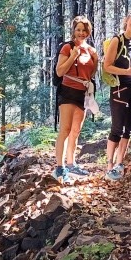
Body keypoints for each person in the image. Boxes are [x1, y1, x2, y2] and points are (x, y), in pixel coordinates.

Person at [102, 8, 131, 181]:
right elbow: (107, 66)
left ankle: (120, 164)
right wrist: (127, 71)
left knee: (129, 129)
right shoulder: (117, 40)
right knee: (117, 128)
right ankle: (109, 166)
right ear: (126, 20)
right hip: (120, 88)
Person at [53, 15, 98, 182]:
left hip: (83, 93)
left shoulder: (92, 51)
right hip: (68, 91)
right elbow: (59, 71)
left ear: (88, 32)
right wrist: (73, 56)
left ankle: (71, 164)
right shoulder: (67, 47)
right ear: (73, 30)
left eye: (84, 30)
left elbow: (92, 72)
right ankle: (59, 168)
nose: (81, 33)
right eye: (78, 29)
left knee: (76, 130)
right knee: (65, 129)